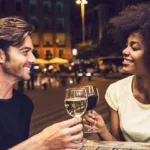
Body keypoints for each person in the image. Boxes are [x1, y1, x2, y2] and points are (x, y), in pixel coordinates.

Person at [0, 16, 85, 150]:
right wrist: (41, 143)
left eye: (32, 52)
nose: (33, 59)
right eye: (25, 52)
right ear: (1, 56)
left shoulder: (24, 105)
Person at [83, 3, 150, 142]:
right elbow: (118, 145)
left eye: (135, 47)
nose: (125, 51)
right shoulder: (116, 91)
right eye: (126, 45)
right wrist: (102, 130)